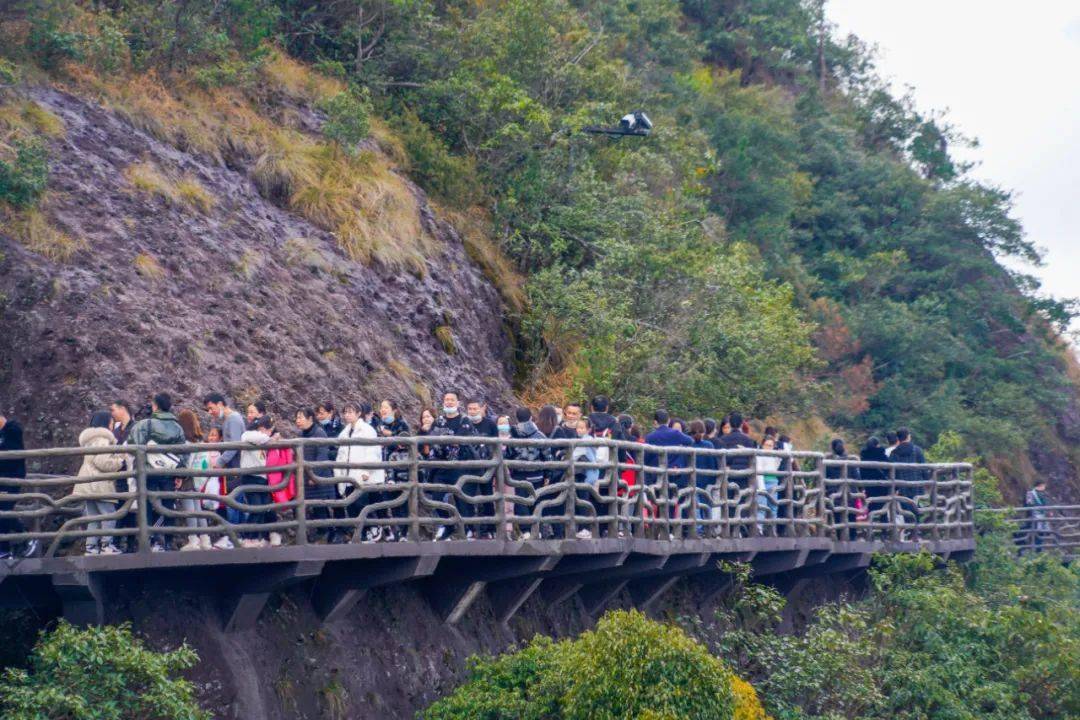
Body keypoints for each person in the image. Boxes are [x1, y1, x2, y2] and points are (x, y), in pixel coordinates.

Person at [128, 393, 186, 552]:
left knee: (147, 504)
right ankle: (168, 541)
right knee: (168, 505)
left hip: (148, 470)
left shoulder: (146, 424)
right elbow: (183, 452)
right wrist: (180, 473)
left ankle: (150, 540)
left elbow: (133, 444)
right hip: (168, 471)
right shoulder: (177, 427)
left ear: (155, 406)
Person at [430, 391, 483, 539]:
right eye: (446, 399)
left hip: (460, 466)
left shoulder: (464, 421)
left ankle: (469, 529)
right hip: (441, 465)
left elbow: (460, 440)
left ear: (458, 403)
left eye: (452, 400)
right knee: (436, 497)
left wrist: (444, 438)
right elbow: (431, 438)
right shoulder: (438, 421)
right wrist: (445, 439)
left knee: (463, 500)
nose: (449, 402)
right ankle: (447, 526)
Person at [72, 411, 126, 555]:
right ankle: (106, 545)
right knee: (109, 514)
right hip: (100, 484)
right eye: (112, 422)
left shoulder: (90, 439)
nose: (113, 425)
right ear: (107, 423)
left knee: (94, 518)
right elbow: (102, 462)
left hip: (87, 484)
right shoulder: (103, 439)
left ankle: (91, 548)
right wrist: (120, 461)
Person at [336, 402, 382, 542]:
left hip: (362, 474)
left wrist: (367, 470)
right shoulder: (344, 433)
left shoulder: (367, 430)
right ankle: (360, 535)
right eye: (346, 412)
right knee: (351, 506)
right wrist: (339, 474)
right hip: (349, 475)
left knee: (361, 504)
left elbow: (373, 451)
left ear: (358, 414)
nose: (347, 415)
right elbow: (341, 455)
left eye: (351, 412)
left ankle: (373, 529)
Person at [506, 407, 550, 539]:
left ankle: (526, 531)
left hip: (519, 475)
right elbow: (547, 457)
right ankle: (538, 529)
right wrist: (548, 475)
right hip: (537, 475)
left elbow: (508, 455)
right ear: (531, 417)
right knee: (537, 501)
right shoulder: (540, 436)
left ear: (517, 418)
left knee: (521, 502)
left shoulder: (512, 436)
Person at [296, 407, 337, 542]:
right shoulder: (301, 435)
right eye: (297, 418)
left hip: (319, 477)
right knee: (312, 508)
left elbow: (322, 455)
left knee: (321, 507)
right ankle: (320, 534)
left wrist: (315, 475)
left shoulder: (319, 433)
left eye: (301, 417)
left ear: (310, 419)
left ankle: (328, 535)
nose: (298, 420)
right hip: (306, 478)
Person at [175, 409, 213, 551]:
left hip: (187, 478)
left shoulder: (184, 442)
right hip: (198, 477)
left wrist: (179, 476)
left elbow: (185, 462)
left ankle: (193, 540)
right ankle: (205, 540)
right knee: (198, 508)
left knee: (189, 509)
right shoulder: (199, 439)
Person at [236, 415, 274, 547]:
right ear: (262, 428)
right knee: (256, 508)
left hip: (262, 478)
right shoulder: (249, 435)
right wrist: (269, 437)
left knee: (263, 508)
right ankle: (247, 537)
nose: (269, 433)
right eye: (268, 430)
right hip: (251, 476)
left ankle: (255, 537)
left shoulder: (261, 440)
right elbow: (248, 436)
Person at [377, 400, 412, 538]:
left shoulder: (402, 424)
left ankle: (403, 533)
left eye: (386, 407)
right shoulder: (379, 425)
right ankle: (394, 532)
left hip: (399, 470)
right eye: (381, 407)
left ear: (394, 410)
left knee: (401, 502)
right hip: (383, 468)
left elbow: (404, 444)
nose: (383, 410)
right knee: (387, 500)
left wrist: (389, 435)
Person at [0, 412, 30, 558]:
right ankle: (23, 536)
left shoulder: (12, 430)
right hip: (3, 479)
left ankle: (6, 548)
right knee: (4, 510)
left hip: (12, 477)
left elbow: (12, 453)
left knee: (5, 510)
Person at [827, 439, 861, 539]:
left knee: (838, 517)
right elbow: (857, 478)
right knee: (851, 517)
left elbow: (825, 479)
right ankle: (853, 538)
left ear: (832, 449)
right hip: (850, 494)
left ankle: (840, 538)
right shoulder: (851, 461)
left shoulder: (828, 463)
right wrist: (861, 488)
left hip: (835, 495)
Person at [203, 393, 245, 475]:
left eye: (211, 408)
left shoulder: (233, 419)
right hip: (233, 464)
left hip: (237, 465)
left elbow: (234, 445)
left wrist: (219, 462)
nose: (210, 412)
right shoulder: (227, 419)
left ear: (220, 404)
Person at [688, 420, 718, 526]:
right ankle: (708, 527)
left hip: (693, 480)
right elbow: (713, 464)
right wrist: (714, 479)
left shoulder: (689, 446)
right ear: (704, 432)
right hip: (707, 480)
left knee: (695, 505)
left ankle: (697, 528)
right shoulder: (708, 445)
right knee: (707, 505)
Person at [716, 412, 758, 487]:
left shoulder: (723, 439)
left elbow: (722, 459)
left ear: (730, 424)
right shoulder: (748, 440)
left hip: (728, 475)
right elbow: (753, 459)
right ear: (741, 424)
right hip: (745, 475)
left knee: (728, 497)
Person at [755, 436, 782, 534]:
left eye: (771, 445)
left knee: (773, 507)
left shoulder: (775, 455)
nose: (768, 447)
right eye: (766, 445)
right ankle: (759, 530)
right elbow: (759, 472)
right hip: (763, 482)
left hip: (773, 481)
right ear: (762, 445)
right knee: (762, 506)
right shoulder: (759, 455)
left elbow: (776, 467)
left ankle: (772, 529)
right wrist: (761, 488)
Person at [1023, 480, 1050, 551]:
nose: (1045, 487)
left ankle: (1036, 550)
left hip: (1037, 517)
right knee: (1038, 534)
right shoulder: (1031, 493)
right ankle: (1036, 550)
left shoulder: (1035, 493)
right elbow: (1029, 506)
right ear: (1041, 485)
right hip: (1035, 517)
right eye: (1044, 486)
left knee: (1038, 534)